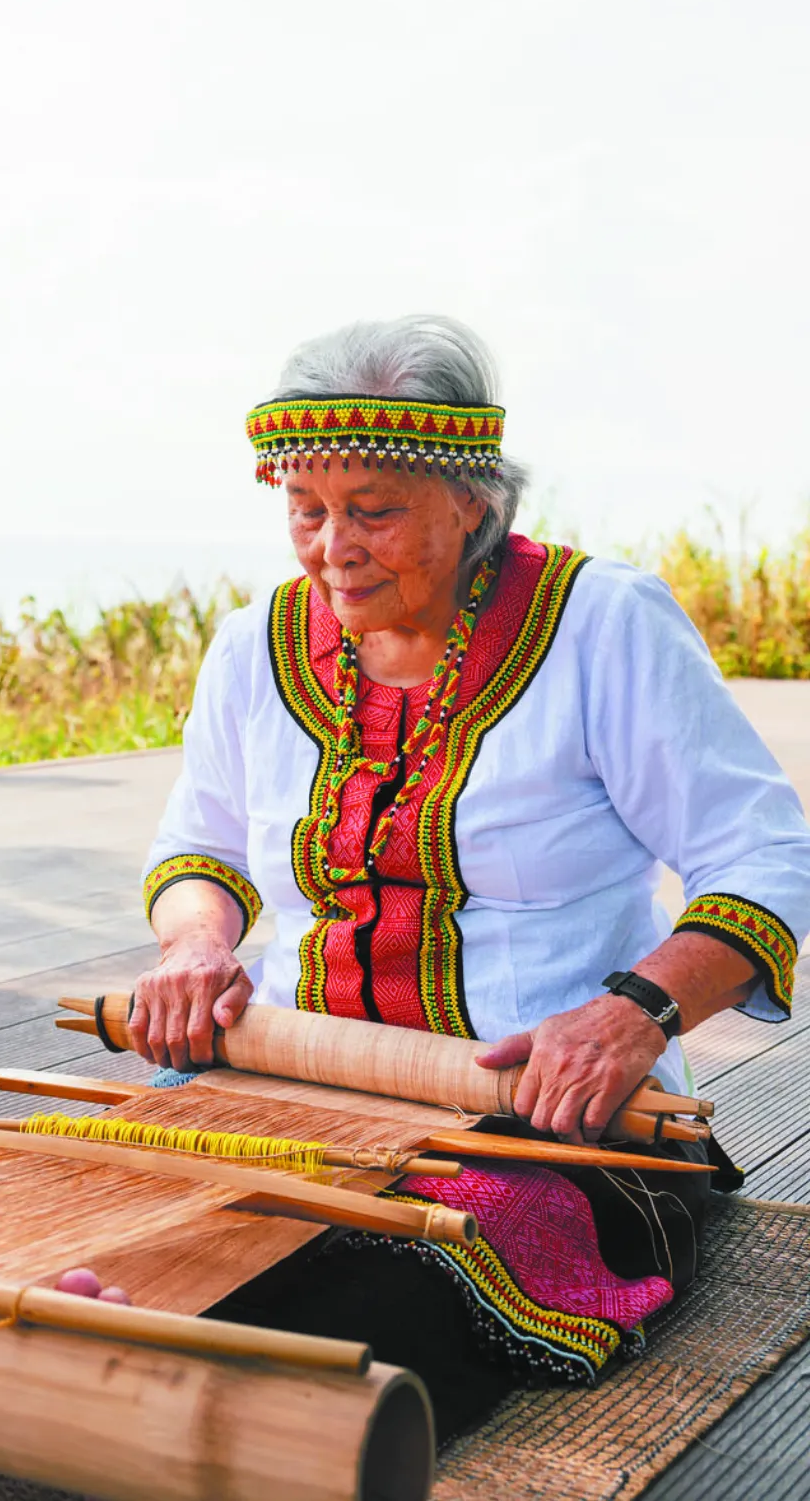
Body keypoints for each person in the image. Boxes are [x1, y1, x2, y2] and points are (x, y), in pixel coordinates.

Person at [131, 313, 810, 1435]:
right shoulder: (255, 644)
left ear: (477, 500)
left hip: (537, 1116)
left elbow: (764, 856)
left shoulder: (602, 625)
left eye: (375, 512)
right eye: (306, 509)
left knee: (337, 1313)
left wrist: (634, 1013)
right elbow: (195, 850)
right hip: (285, 1077)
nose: (332, 547)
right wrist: (196, 943)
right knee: (106, 1238)